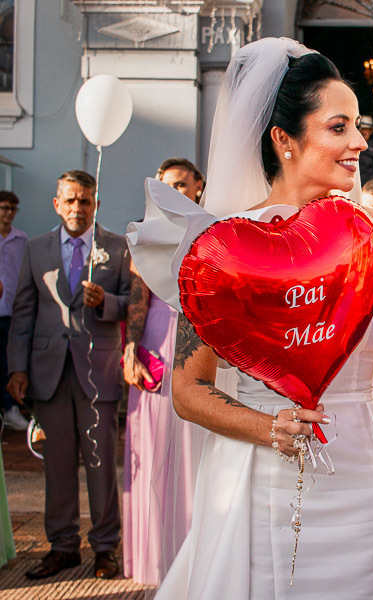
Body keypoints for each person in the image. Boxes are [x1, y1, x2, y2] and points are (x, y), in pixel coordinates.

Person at [127, 38, 373, 599]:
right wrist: (265, 426)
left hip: (360, 474)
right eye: (338, 127)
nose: (359, 142)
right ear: (285, 139)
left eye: (358, 126)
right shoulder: (221, 247)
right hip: (252, 479)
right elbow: (188, 387)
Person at [7, 170, 131, 580]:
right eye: (70, 200)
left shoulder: (116, 247)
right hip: (49, 374)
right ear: (57, 204)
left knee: (100, 466)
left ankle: (104, 548)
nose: (78, 208)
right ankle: (62, 547)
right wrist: (18, 368)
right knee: (56, 466)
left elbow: (133, 302)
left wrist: (107, 301)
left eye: (85, 201)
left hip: (98, 372)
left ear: (96, 204)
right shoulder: (36, 248)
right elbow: (23, 312)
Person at [122, 158, 205, 585]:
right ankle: (156, 552)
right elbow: (139, 294)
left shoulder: (212, 228)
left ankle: (193, 545)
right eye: (165, 184)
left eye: (180, 184)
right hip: (157, 338)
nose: (173, 189)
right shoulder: (148, 233)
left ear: (198, 186)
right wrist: (132, 346)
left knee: (193, 442)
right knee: (154, 441)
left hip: (198, 340)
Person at [0, 191, 28, 431]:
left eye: (12, 208)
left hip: (11, 310)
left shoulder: (22, 239)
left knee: (9, 362)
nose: (8, 213)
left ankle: (11, 408)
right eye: (3, 207)